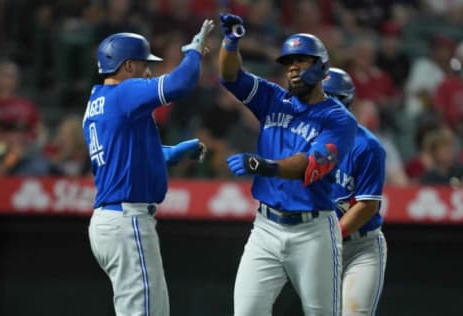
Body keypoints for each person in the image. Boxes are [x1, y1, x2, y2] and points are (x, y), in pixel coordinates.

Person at [219, 13, 357, 316]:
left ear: (321, 67)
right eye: (289, 62)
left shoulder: (338, 120)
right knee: (246, 312)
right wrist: (230, 43)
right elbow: (231, 76)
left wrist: (263, 166)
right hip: (265, 228)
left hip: (313, 233)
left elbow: (310, 164)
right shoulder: (272, 98)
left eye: (301, 61)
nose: (292, 67)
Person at [83, 20, 214, 316]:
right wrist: (194, 53)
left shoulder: (96, 102)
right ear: (127, 65)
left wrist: (173, 153)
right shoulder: (124, 94)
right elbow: (181, 82)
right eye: (144, 64)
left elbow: (131, 158)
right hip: (127, 220)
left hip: (110, 220)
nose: (148, 71)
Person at [323, 68, 388, 316]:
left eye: (333, 98)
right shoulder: (302, 138)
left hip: (359, 246)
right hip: (316, 244)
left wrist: (329, 238)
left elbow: (367, 205)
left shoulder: (367, 146)